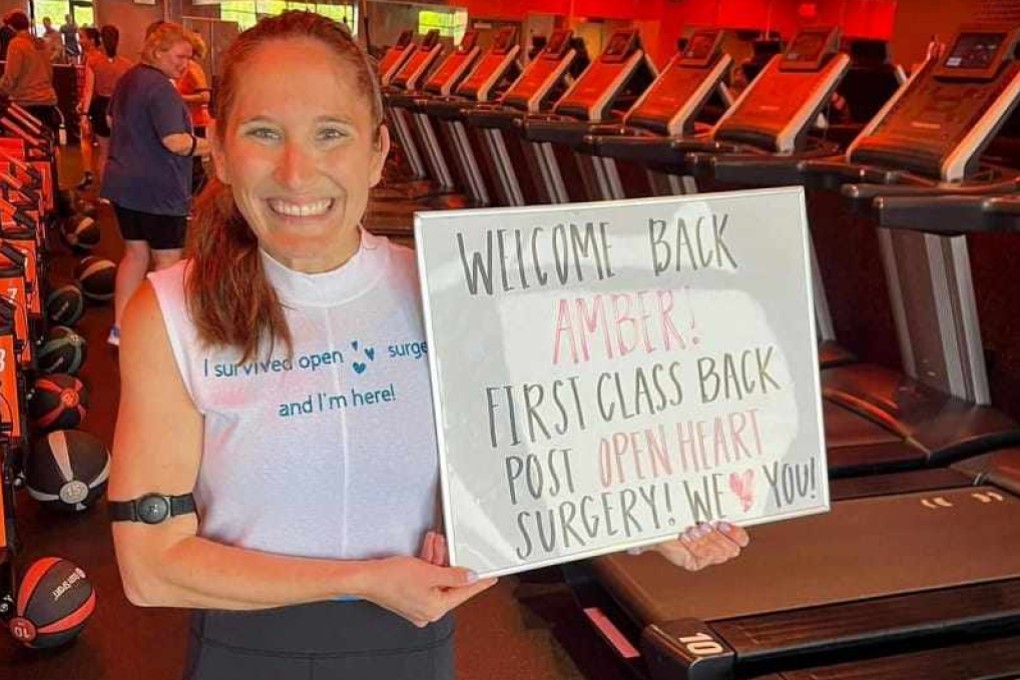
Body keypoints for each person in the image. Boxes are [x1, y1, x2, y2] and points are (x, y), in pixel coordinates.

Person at [108, 12, 749, 680]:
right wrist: (363, 580)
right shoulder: (172, 312)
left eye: (331, 134)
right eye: (264, 134)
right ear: (218, 145)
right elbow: (151, 569)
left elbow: (525, 476)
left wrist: (650, 522)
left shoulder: (445, 292)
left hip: (409, 647)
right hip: (244, 653)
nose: (297, 173)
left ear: (378, 152)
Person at [101, 22, 207, 347]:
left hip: (123, 186)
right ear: (158, 52)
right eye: (180, 56)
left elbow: (109, 120)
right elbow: (175, 142)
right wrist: (220, 146)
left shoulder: (129, 78)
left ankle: (120, 328)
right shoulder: (161, 88)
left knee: (134, 255)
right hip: (157, 192)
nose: (184, 64)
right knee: (166, 263)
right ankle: (164, 336)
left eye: (189, 58)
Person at [78, 24, 131, 189]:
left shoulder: (93, 62)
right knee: (121, 151)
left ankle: (106, 192)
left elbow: (88, 90)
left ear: (100, 39)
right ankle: (122, 187)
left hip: (101, 107)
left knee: (104, 151)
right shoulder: (127, 64)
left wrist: (84, 116)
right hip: (121, 108)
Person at [0, 10, 59, 136]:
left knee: (27, 148)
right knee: (45, 144)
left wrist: (2, 90)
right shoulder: (40, 43)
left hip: (26, 103)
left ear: (11, 27)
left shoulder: (16, 44)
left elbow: (11, 76)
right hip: (47, 100)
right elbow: (49, 72)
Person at [175, 31, 212, 194]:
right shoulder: (182, 68)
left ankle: (205, 207)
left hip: (196, 122)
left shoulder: (193, 68)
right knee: (190, 167)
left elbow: (205, 96)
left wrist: (178, 97)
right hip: (186, 121)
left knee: (195, 169)